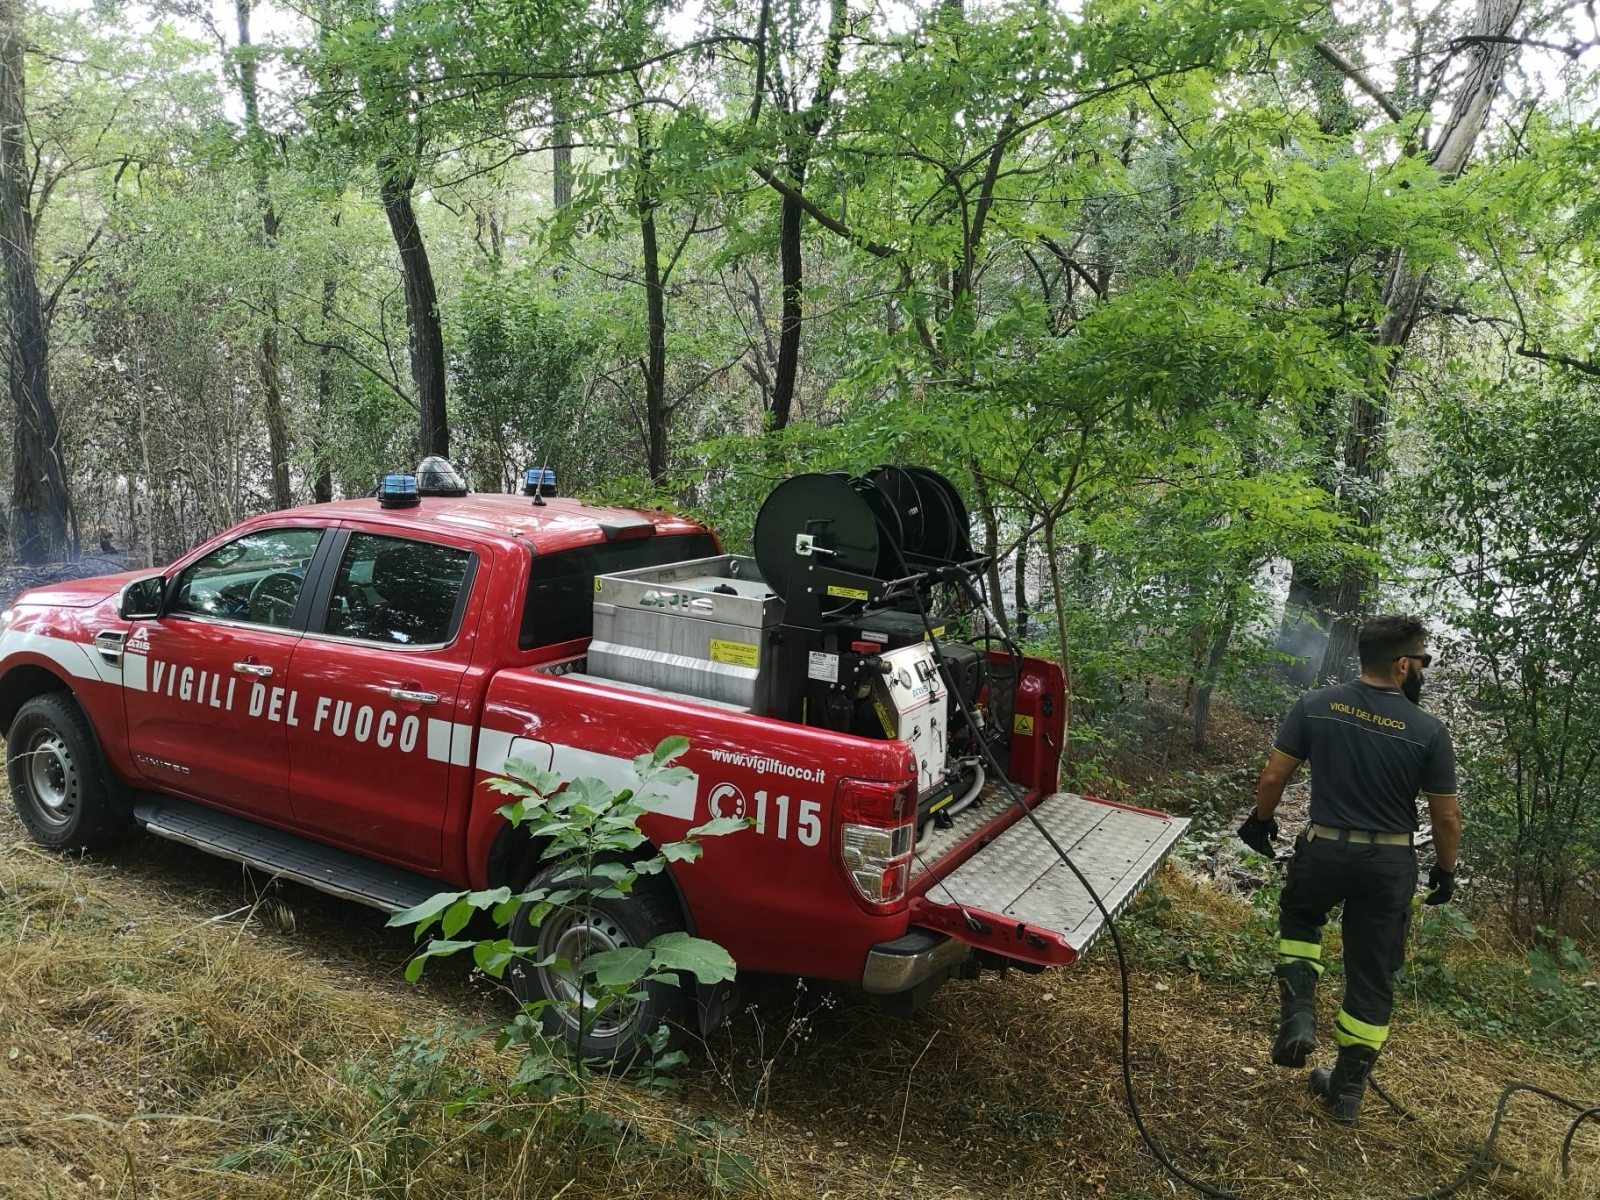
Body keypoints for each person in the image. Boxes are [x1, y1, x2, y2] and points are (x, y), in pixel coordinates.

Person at [1237, 614, 1462, 1124]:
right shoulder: (1428, 730)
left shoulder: (1316, 705)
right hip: (1388, 864)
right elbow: (1445, 816)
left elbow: (1273, 775)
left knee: (1300, 920)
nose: (1423, 669)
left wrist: (1261, 822)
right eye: (1422, 660)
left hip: (1326, 850)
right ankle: (1346, 1092)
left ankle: (1297, 1017)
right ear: (1403, 664)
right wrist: (1445, 872)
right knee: (1373, 971)